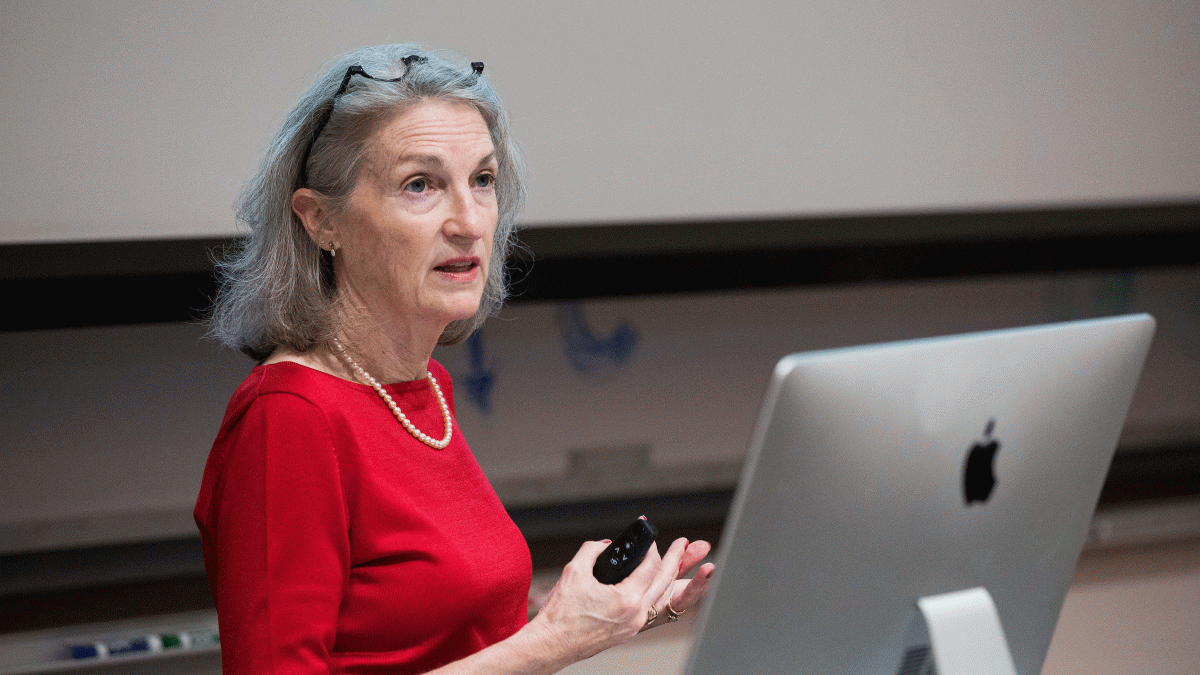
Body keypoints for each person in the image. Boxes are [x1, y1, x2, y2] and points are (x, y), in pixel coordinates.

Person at [195, 44, 715, 675]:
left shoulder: (421, 388)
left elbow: (439, 643)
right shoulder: (289, 421)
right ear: (320, 220)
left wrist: (598, 617)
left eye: (484, 180)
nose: (470, 222)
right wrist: (550, 643)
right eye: (421, 185)